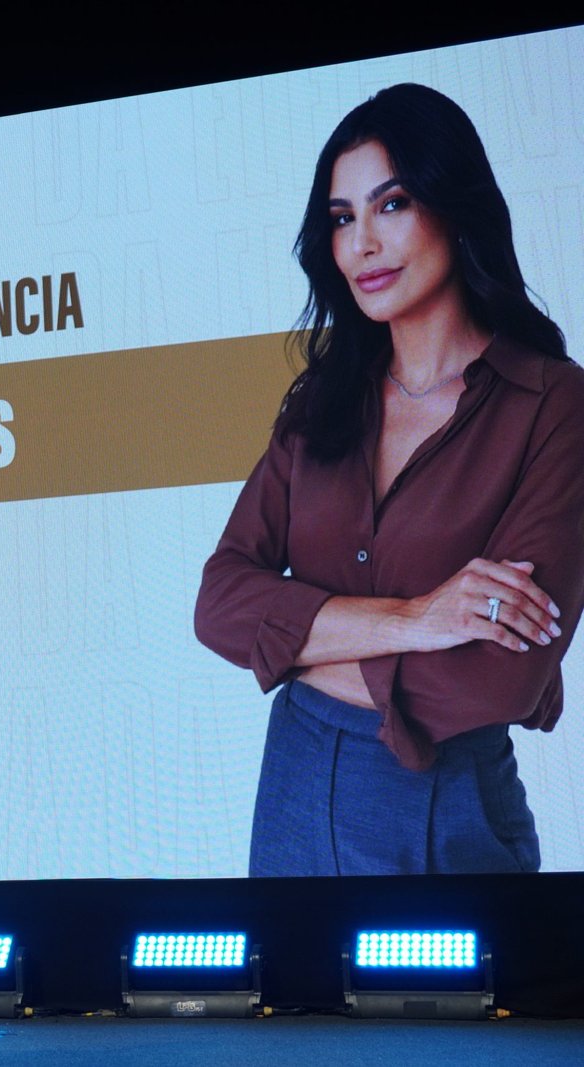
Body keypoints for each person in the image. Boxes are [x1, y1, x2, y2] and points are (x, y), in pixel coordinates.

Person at [193, 84, 583, 877]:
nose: (361, 243)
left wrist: (295, 648)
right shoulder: (319, 401)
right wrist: (415, 617)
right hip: (293, 796)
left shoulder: (552, 404)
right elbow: (219, 603)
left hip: (447, 807)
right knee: (283, 1005)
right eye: (342, 219)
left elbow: (501, 677)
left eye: (391, 204)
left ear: (453, 203)